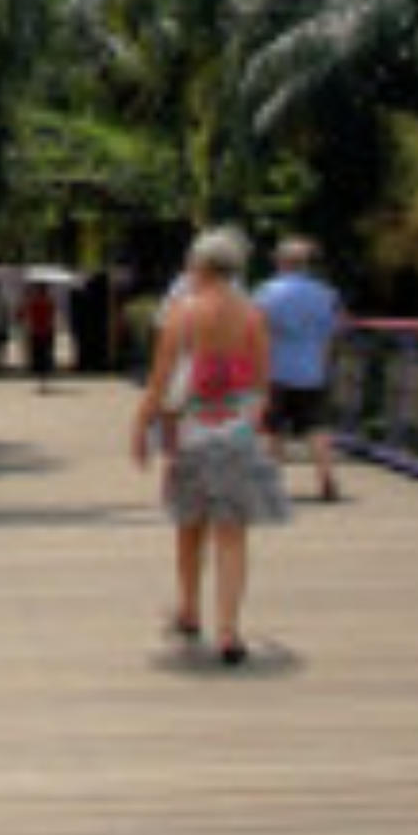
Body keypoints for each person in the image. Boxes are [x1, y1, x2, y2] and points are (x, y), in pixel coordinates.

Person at [131, 228, 287, 665]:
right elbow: (262, 384)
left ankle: (189, 610)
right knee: (232, 534)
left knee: (190, 527)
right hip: (237, 434)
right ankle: (229, 631)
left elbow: (160, 380)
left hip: (191, 433)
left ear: (199, 265)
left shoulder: (182, 313)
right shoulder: (253, 316)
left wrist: (142, 426)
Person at [254, 236, 347, 502]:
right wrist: (324, 365)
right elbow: (332, 333)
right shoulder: (327, 294)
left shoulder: (266, 292)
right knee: (317, 426)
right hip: (312, 369)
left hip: (275, 369)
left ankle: (272, 484)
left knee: (273, 428)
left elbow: (256, 330)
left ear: (282, 262)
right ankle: (326, 478)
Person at [21, 280, 61, 392]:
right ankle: (45, 374)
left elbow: (26, 315)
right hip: (47, 331)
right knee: (46, 353)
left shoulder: (33, 302)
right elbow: (52, 316)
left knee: (37, 354)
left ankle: (40, 375)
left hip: (36, 331)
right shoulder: (49, 302)